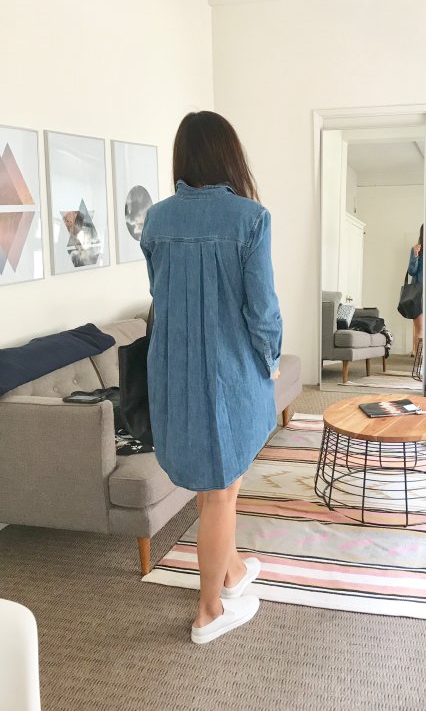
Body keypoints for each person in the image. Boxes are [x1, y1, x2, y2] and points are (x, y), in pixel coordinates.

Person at [140, 111, 282, 643]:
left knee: (212, 481)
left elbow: (159, 295)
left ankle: (233, 571)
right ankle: (209, 612)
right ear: (228, 155)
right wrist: (270, 359)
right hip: (228, 374)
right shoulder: (250, 218)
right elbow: (262, 312)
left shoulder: (156, 221)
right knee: (223, 490)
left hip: (173, 372)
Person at [407, 224, 424, 356]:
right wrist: (416, 255)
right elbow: (411, 271)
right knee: (420, 330)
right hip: (418, 293)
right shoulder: (417, 249)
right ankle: (419, 361)